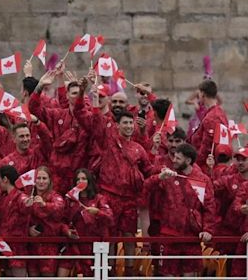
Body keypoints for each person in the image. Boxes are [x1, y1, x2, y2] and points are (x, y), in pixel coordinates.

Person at [74, 77, 155, 276]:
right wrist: (84, 92)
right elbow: (84, 115)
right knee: (108, 236)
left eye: (131, 123)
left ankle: (128, 271)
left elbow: (149, 170)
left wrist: (163, 174)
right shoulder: (107, 140)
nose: (128, 126)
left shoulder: (138, 148)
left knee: (128, 236)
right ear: (117, 125)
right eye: (125, 123)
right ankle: (107, 271)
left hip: (129, 199)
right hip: (109, 196)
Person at [143, 143, 216, 277]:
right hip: (168, 236)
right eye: (174, 157)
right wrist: (159, 177)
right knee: (167, 275)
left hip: (191, 238)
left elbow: (209, 207)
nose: (174, 161)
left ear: (188, 160)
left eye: (178, 158)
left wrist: (208, 230)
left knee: (190, 275)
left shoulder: (203, 179)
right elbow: (144, 189)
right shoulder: (168, 176)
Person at [58, 168, 113, 277]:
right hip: (73, 244)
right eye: (78, 179)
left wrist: (97, 212)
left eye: (84, 178)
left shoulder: (99, 199)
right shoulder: (70, 200)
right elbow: (62, 221)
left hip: (93, 247)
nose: (80, 181)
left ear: (89, 181)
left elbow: (110, 218)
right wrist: (67, 231)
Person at [27, 166, 65, 277]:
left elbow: (59, 207)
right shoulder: (29, 196)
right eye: (38, 178)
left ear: (49, 181)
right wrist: (28, 230)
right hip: (32, 246)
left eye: (44, 178)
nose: (41, 181)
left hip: (49, 247)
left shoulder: (55, 196)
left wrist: (44, 205)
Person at [0, 165, 33, 277]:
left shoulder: (20, 196)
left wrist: (28, 203)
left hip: (18, 248)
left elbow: (25, 203)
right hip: (4, 246)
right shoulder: (3, 197)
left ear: (5, 179)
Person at [189, 79, 228, 170]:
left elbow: (207, 147)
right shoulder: (219, 112)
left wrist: (194, 163)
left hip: (206, 166)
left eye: (199, 93)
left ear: (203, 94)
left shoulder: (212, 117)